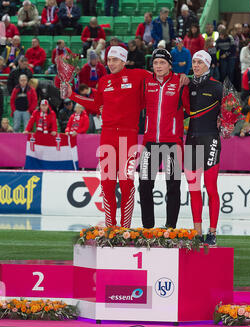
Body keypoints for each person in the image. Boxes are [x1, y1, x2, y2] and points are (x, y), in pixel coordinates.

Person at [65, 46, 152, 228]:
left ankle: (125, 228)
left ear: (124, 60)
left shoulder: (139, 75)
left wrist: (180, 78)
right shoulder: (104, 81)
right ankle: (110, 228)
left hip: (128, 138)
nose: (111, 64)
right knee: (107, 184)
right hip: (107, 137)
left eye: (115, 60)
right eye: (109, 60)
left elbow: (160, 77)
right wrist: (72, 95)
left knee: (127, 183)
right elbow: (96, 105)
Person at [139, 48, 190, 230]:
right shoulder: (146, 82)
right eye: (155, 63)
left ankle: (170, 228)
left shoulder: (180, 83)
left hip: (172, 143)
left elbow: (192, 110)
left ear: (170, 65)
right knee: (144, 186)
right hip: (149, 143)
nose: (158, 66)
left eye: (162, 63)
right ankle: (148, 228)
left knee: (173, 187)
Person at [184, 50, 223, 246]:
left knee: (211, 188)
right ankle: (197, 232)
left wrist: (228, 124)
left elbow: (232, 114)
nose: (196, 65)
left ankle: (213, 232)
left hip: (210, 141)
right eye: (194, 62)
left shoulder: (217, 87)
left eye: (200, 62)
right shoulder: (187, 85)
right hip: (191, 140)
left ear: (207, 64)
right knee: (193, 188)